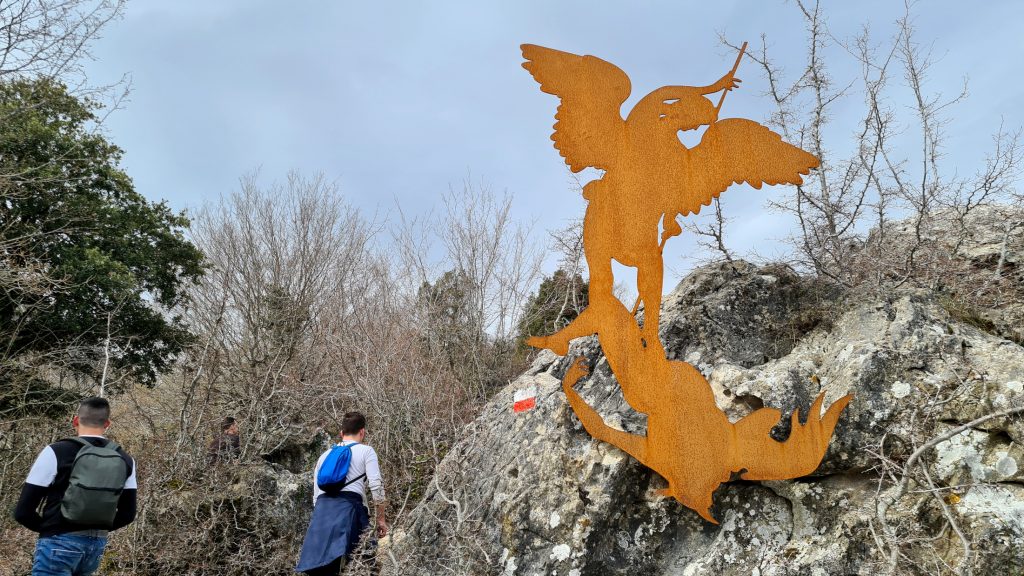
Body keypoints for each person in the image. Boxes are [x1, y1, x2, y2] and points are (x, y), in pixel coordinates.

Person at [13, 396, 138, 576]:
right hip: (95, 547)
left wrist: (53, 530)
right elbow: (127, 514)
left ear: (76, 420)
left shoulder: (56, 451)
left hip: (58, 543)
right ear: (107, 423)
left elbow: (23, 512)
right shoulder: (126, 459)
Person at [296, 411, 387, 575]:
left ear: (341, 433)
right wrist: (381, 519)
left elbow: (316, 495)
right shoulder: (366, 451)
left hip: (323, 512)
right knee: (363, 562)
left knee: (324, 568)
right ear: (362, 432)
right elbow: (376, 486)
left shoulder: (324, 456)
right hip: (351, 509)